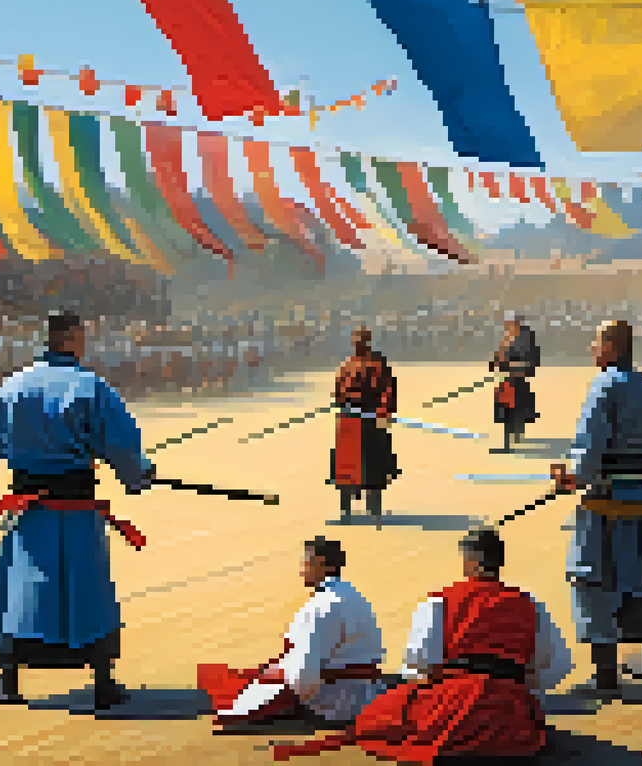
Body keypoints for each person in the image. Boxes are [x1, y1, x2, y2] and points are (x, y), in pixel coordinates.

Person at [272, 528, 574, 763]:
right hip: (510, 705)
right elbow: (556, 666)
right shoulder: (530, 604)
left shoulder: (440, 600)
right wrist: (521, 687)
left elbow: (418, 662)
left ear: (470, 562)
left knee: (377, 717)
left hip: (453, 699)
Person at [0, 312, 155, 711]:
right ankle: (102, 684)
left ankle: (9, 682)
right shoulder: (89, 387)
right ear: (73, 338)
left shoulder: (12, 385)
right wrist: (138, 475)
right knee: (86, 589)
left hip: (28, 509)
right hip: (75, 509)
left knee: (20, 589)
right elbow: (120, 444)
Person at [552, 320, 642, 698]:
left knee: (594, 578)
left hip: (608, 499)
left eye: (596, 341)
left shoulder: (604, 384)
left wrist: (570, 475)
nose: (591, 349)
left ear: (612, 347)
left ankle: (605, 676)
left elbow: (590, 446)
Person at [197, 537, 385, 732]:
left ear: (320, 564)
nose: (302, 570)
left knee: (235, 705)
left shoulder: (323, 605)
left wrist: (276, 678)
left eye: (306, 563)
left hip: (337, 700)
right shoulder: (353, 594)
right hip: (366, 692)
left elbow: (306, 676)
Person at [330, 327, 397, 525]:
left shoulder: (378, 363)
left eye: (361, 339)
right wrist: (340, 402)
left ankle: (375, 508)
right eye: (355, 339)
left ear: (367, 341)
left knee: (374, 464)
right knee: (346, 468)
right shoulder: (346, 365)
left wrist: (384, 410)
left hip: (371, 419)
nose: (357, 343)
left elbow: (388, 389)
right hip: (349, 420)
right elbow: (338, 390)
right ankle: (345, 509)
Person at [489, 312, 540, 452]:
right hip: (507, 380)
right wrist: (496, 363)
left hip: (517, 380)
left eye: (512, 322)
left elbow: (531, 361)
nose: (510, 324)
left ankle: (510, 442)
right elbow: (500, 356)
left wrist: (512, 366)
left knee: (513, 411)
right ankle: (509, 440)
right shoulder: (508, 337)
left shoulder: (526, 338)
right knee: (506, 411)